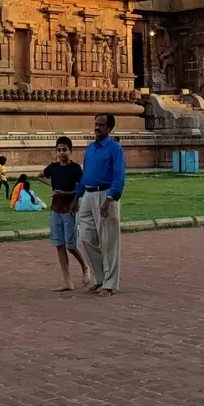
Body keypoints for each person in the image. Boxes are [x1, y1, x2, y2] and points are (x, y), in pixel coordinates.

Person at [77, 113, 126, 296]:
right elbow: (86, 174)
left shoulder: (115, 149)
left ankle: (110, 284)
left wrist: (110, 198)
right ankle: (100, 278)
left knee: (108, 241)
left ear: (109, 128)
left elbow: (119, 175)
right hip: (88, 194)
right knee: (86, 237)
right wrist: (77, 197)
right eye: (95, 124)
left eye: (101, 125)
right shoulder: (90, 148)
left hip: (106, 195)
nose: (97, 127)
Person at [37, 136, 90, 291]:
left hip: (69, 210)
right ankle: (67, 280)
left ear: (70, 151)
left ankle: (85, 267)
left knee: (71, 245)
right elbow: (39, 176)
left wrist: (68, 197)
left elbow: (80, 189)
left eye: (64, 150)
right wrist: (52, 188)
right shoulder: (53, 167)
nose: (61, 153)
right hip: (56, 210)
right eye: (59, 150)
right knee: (59, 245)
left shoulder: (75, 169)